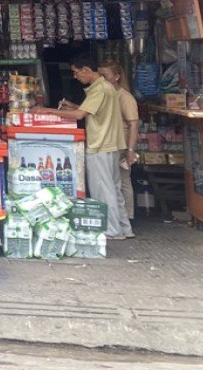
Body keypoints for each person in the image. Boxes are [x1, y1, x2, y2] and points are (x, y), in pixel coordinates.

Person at [34, 54, 131, 239]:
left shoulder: (99, 89)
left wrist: (47, 110)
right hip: (111, 144)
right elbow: (91, 111)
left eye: (76, 72)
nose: (75, 76)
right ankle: (124, 228)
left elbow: (79, 115)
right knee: (114, 188)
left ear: (86, 70)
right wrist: (71, 106)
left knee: (104, 190)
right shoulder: (105, 86)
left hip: (100, 144)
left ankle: (112, 230)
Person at [98, 61, 139, 231]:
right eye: (100, 76)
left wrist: (130, 150)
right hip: (111, 143)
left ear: (116, 76)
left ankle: (127, 217)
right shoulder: (108, 94)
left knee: (122, 180)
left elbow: (133, 125)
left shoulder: (125, 97)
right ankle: (120, 218)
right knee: (116, 180)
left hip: (121, 144)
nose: (102, 80)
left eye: (105, 76)